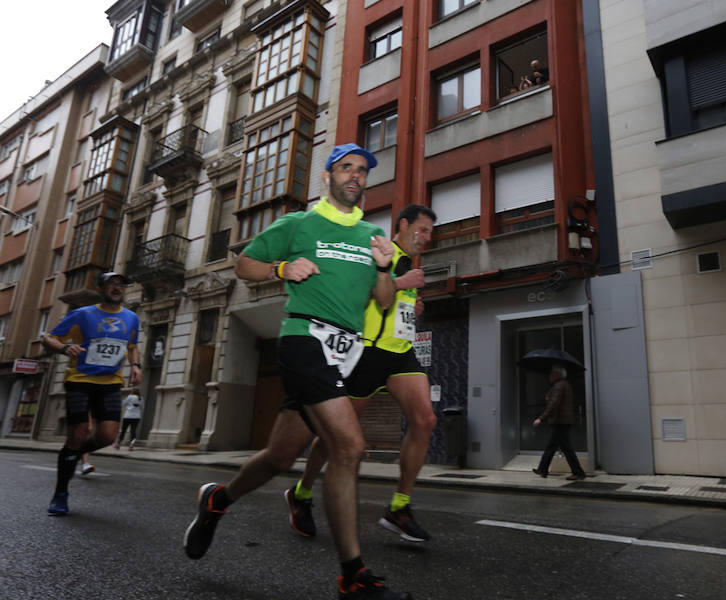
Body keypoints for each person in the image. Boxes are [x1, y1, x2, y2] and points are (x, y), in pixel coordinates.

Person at [182, 143, 412, 600]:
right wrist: (283, 266)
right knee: (348, 445)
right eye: (346, 168)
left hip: (344, 351)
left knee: (281, 456)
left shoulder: (372, 234)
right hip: (304, 339)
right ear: (327, 177)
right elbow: (244, 264)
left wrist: (385, 267)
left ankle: (217, 500)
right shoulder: (300, 222)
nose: (355, 176)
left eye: (362, 171)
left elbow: (383, 300)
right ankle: (354, 577)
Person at [286, 204, 437, 543]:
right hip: (365, 353)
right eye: (422, 230)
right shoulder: (376, 249)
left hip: (399, 353)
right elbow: (353, 291)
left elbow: (390, 304)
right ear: (402, 225)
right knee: (334, 436)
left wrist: (411, 304)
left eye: (430, 233)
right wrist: (399, 283)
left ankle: (399, 507)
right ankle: (302, 492)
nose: (427, 239)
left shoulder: (410, 263)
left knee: (425, 420)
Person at [42, 272, 142, 515]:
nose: (117, 288)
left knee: (108, 436)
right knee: (79, 432)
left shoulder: (131, 317)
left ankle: (73, 455)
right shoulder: (82, 314)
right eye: (111, 284)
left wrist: (135, 366)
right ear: (101, 288)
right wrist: (65, 348)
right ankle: (61, 493)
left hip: (110, 382)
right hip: (80, 379)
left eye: (121, 284)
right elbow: (48, 338)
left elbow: (132, 346)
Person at [531, 364, 586, 481]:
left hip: (560, 421)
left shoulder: (559, 386)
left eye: (552, 373)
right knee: (553, 446)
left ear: (557, 375)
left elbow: (553, 404)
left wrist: (541, 418)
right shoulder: (563, 385)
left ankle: (578, 472)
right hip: (563, 421)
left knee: (566, 448)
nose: (550, 376)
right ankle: (543, 469)